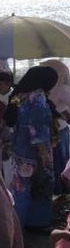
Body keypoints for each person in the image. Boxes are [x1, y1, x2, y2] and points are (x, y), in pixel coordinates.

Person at [5, 66, 57, 229]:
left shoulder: (21, 97)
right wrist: (45, 156)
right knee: (42, 187)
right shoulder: (38, 100)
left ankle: (18, 224)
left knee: (21, 190)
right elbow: (38, 132)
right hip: (35, 154)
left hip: (20, 150)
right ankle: (37, 222)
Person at [43, 59, 70, 193]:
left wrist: (62, 114)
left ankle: (60, 190)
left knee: (59, 158)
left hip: (59, 129)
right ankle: (56, 189)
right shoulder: (43, 90)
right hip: (49, 130)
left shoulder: (62, 89)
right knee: (53, 159)